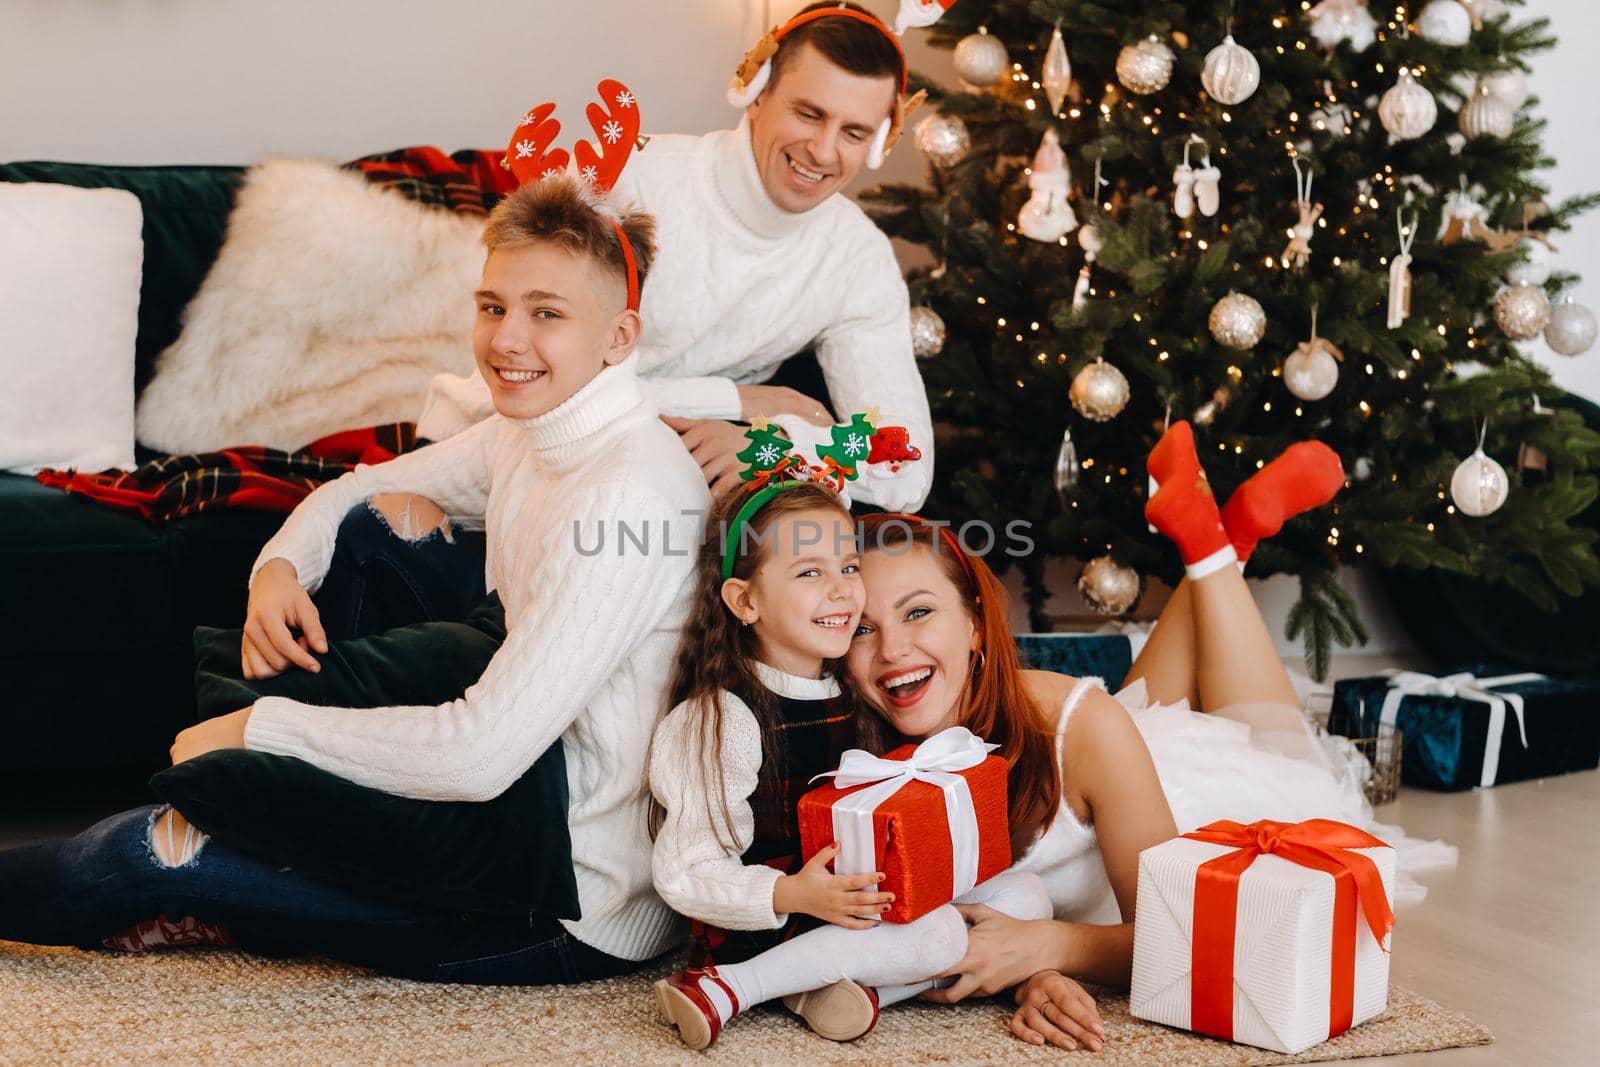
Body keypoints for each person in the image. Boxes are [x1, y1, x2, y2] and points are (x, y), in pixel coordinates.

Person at [0, 174, 711, 985]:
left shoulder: (623, 495)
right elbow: (353, 489)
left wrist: (263, 730)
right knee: (364, 539)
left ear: (619, 337)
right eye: (493, 306)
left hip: (557, 893)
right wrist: (276, 570)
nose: (508, 340)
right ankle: (267, 851)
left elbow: (479, 754)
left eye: (547, 313)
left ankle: (245, 863)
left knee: (147, 851)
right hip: (509, 798)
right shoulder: (537, 429)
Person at [843, 423, 1453, 1051]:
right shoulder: (846, 745)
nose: (891, 650)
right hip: (1127, 746)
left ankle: (1219, 550)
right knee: (1139, 712)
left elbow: (1179, 936)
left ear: (975, 623)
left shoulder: (1079, 730)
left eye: (919, 611)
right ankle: (1221, 543)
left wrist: (1049, 947)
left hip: (1181, 813)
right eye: (861, 628)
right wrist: (1033, 975)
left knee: (1274, 741)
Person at [416, 1, 935, 510]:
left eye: (853, 133)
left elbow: (904, 465)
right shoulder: (631, 180)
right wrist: (739, 402)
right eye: (808, 113)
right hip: (485, 445)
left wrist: (767, 450)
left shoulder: (858, 259)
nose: (823, 151)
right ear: (756, 93)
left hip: (628, 474)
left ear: (879, 142)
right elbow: (537, 385)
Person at [647, 477, 1060, 1051]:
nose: (842, 592)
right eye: (809, 572)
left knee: (1026, 896)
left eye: (846, 568)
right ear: (745, 601)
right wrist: (792, 894)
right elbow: (682, 872)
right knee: (943, 933)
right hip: (774, 922)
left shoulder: (852, 689)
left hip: (849, 910)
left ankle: (848, 989)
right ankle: (728, 989)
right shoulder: (722, 719)